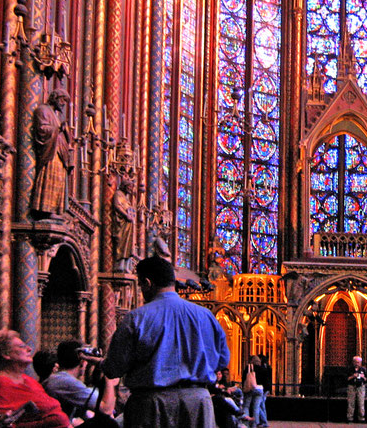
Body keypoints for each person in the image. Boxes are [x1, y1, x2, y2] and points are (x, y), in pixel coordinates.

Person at [102, 255, 230, 427]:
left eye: (140, 285)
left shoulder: (136, 318)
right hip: (197, 404)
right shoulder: (206, 316)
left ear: (147, 283)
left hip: (151, 405)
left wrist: (102, 363)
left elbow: (114, 368)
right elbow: (222, 360)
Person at [0, 330, 70, 427]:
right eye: (22, 346)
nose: (29, 349)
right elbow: (6, 424)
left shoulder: (29, 380)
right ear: (5, 354)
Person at [42, 340, 118, 420]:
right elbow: (106, 410)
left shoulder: (59, 379)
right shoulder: (64, 381)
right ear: (82, 360)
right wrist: (108, 372)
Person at [30, 88, 71, 218]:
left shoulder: (55, 115)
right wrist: (58, 128)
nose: (64, 103)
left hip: (59, 152)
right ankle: (45, 209)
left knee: (58, 179)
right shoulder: (43, 110)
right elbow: (42, 129)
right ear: (55, 98)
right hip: (50, 152)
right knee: (49, 177)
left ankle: (54, 209)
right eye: (62, 100)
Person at [346, 355, 367, 422]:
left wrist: (363, 377)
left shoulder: (363, 369)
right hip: (352, 386)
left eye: (358, 362)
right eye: (355, 362)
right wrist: (353, 376)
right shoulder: (350, 369)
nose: (357, 364)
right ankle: (350, 418)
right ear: (353, 362)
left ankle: (361, 418)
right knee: (351, 403)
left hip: (360, 387)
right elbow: (346, 379)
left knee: (361, 402)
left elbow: (366, 379)